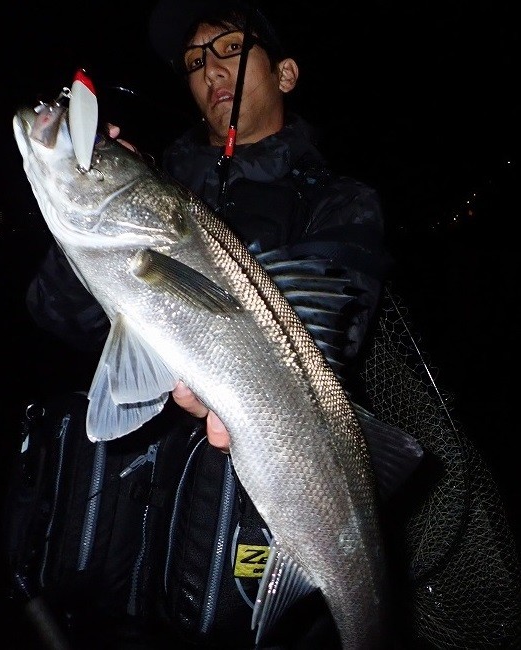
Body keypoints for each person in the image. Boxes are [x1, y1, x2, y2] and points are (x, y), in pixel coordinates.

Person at [24, 0, 392, 648]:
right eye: (195, 61)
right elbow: (55, 315)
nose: (210, 70)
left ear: (285, 74)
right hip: (126, 565)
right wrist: (92, 210)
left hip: (242, 551)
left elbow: (334, 337)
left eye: (230, 49)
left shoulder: (339, 200)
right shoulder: (160, 181)